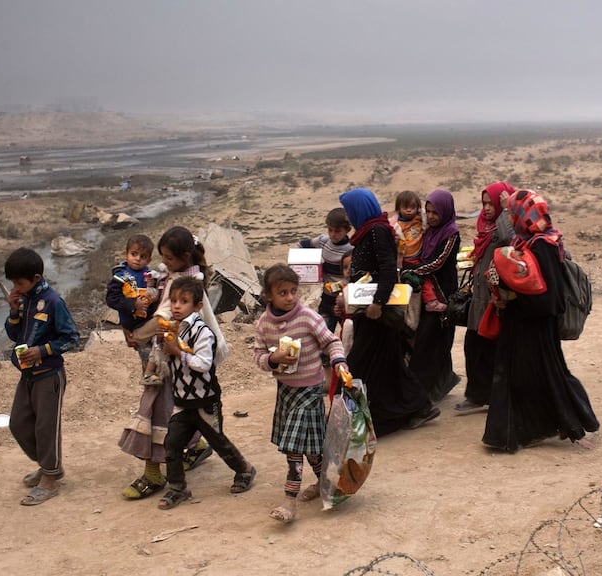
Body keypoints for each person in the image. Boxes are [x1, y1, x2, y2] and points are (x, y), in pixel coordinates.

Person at [482, 188, 599, 452]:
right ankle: (521, 432)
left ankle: (571, 428)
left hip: (533, 324)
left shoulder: (541, 245)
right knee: (526, 376)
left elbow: (545, 296)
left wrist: (511, 299)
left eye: (512, 213)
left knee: (547, 374)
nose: (511, 218)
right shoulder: (536, 241)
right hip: (525, 323)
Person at [118, 226, 218, 499]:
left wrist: (136, 336)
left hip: (169, 361)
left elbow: (162, 319)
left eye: (168, 258)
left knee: (154, 411)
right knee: (183, 410)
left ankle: (153, 474)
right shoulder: (176, 276)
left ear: (185, 257)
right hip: (174, 360)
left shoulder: (181, 284)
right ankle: (197, 446)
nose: (163, 262)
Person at [337, 187, 439, 436]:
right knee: (389, 363)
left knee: (359, 364)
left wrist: (378, 303)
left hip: (376, 314)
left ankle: (361, 421)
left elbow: (387, 269)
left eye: (350, 212)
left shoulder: (377, 231)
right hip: (367, 312)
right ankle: (415, 408)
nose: (348, 218)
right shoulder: (366, 233)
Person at [253, 264, 349, 524]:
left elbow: (331, 341)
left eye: (293, 291)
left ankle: (289, 502)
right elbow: (259, 356)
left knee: (294, 448)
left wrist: (339, 361)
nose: (290, 297)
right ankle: (325, 482)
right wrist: (274, 358)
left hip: (310, 391)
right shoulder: (264, 324)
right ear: (268, 296)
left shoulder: (307, 317)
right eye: (282, 292)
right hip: (286, 392)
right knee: (310, 449)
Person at [156, 276, 257, 510]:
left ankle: (244, 469)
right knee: (172, 443)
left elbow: (203, 364)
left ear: (198, 306)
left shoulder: (203, 332)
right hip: (182, 401)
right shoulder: (170, 329)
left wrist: (177, 351)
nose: (177, 306)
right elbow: (163, 361)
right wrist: (161, 345)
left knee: (217, 440)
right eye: (173, 301)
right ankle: (177, 487)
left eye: (184, 301)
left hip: (204, 401)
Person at [3, 247, 80, 505]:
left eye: (20, 282)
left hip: (49, 374)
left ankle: (49, 478)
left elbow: (71, 338)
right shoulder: (23, 300)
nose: (16, 287)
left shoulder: (54, 302)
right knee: (18, 423)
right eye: (13, 283)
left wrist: (42, 351)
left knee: (46, 427)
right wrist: (14, 312)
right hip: (27, 374)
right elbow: (13, 335)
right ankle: (50, 465)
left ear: (36, 278)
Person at [457, 182, 515, 413]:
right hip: (479, 298)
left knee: (494, 350)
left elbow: (508, 238)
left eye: (492, 203)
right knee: (473, 347)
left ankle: (495, 397)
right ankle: (477, 395)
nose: (487, 208)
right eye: (484, 204)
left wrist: (506, 208)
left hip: (496, 301)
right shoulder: (485, 227)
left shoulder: (506, 225)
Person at [404, 189, 461, 403]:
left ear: (445, 211)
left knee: (430, 340)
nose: (431, 216)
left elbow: (438, 261)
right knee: (433, 339)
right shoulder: (428, 232)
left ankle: (421, 393)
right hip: (429, 292)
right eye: (428, 211)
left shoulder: (451, 234)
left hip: (443, 294)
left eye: (435, 212)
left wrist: (412, 271)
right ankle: (443, 381)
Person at [104, 234, 160, 382]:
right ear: (126, 254)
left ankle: (153, 374)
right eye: (134, 254)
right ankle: (148, 376)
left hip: (148, 318)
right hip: (132, 322)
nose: (137, 259)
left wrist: (153, 296)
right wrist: (133, 304)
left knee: (156, 347)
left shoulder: (150, 276)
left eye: (143, 256)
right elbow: (111, 299)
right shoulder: (120, 276)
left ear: (149, 260)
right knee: (144, 351)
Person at [297, 207, 354, 332]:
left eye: (337, 231)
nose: (333, 234)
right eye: (330, 230)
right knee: (323, 333)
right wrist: (308, 266)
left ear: (347, 230)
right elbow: (301, 245)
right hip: (327, 297)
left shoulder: (352, 248)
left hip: (345, 298)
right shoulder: (323, 241)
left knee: (348, 333)